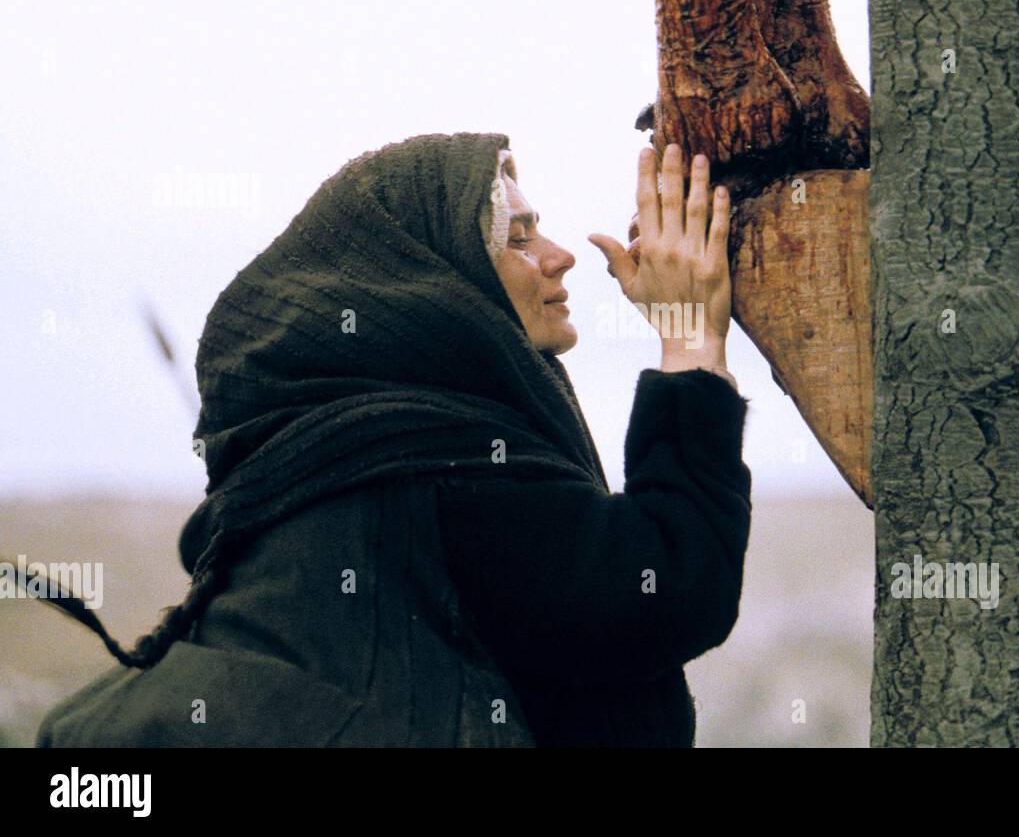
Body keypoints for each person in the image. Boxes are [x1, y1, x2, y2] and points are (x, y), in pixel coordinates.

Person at [34, 133, 752, 747]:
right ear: (434, 279)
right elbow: (669, 586)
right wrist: (691, 336)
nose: (560, 256)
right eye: (518, 237)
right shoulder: (437, 472)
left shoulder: (328, 464)